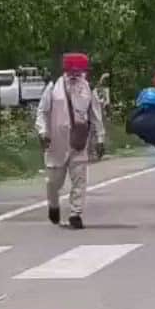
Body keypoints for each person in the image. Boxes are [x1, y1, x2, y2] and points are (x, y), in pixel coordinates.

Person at [36, 53, 106, 229]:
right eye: (72, 70)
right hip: (56, 143)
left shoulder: (88, 88)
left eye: (79, 71)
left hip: (79, 142)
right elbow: (42, 112)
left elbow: (95, 115)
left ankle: (76, 214)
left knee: (79, 180)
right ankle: (53, 205)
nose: (76, 74)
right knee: (53, 182)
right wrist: (43, 132)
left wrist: (100, 138)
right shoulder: (54, 88)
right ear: (66, 70)